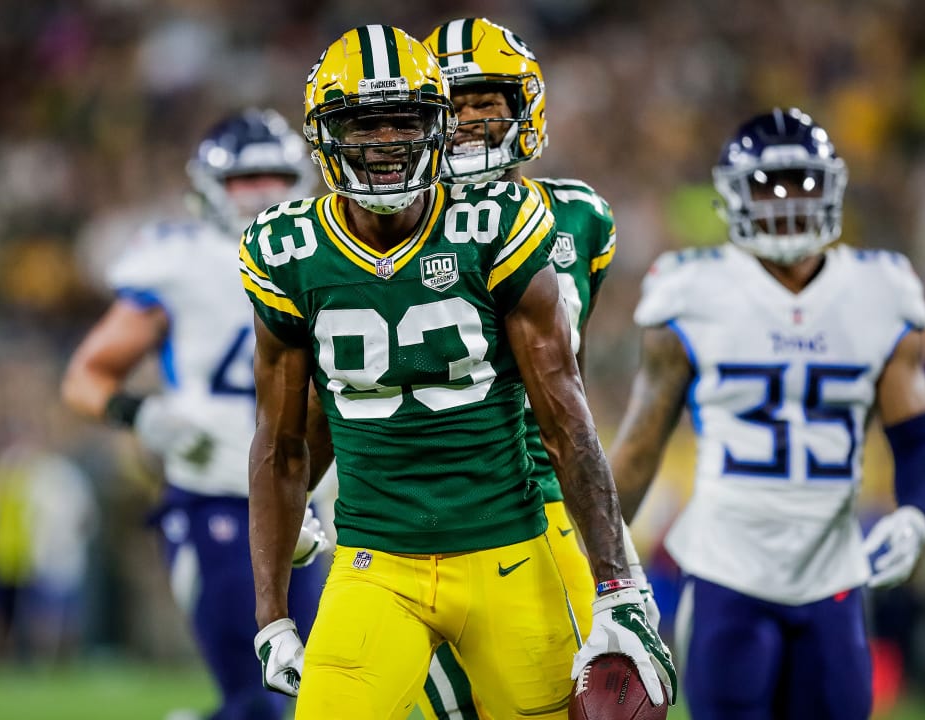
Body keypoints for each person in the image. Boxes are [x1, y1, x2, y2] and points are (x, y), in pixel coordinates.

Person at [240, 25, 675, 719]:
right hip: (375, 558)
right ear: (324, 134)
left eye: (403, 121)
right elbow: (286, 438)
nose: (384, 142)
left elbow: (568, 413)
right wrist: (270, 613)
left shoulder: (504, 222)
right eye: (363, 123)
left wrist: (618, 586)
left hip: (512, 537)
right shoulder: (287, 249)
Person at [608, 107, 925, 719]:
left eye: (804, 182)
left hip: (832, 575)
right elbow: (641, 445)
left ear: (833, 189)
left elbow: (916, 437)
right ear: (735, 195)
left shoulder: (880, 291)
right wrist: (598, 568)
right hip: (725, 573)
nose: (787, 197)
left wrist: (916, 515)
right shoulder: (693, 290)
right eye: (768, 184)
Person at [415, 18, 658, 719]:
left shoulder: (580, 217)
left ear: (523, 108)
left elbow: (566, 381)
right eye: (450, 104)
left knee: (568, 694)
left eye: (484, 102)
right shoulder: (393, 225)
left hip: (543, 495)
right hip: (419, 489)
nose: (465, 121)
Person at [61, 108, 330, 720]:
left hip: (311, 500)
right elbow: (85, 376)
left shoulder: (333, 252)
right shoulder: (181, 260)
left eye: (273, 177)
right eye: (243, 180)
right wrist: (142, 415)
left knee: (319, 699)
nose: (261, 194)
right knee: (264, 701)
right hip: (220, 494)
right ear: (209, 188)